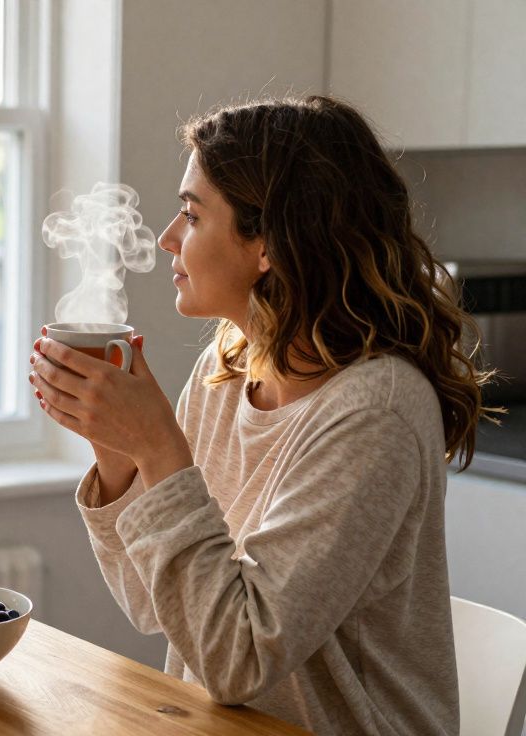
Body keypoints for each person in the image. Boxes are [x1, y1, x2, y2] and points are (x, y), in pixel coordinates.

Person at [28, 95, 495, 735]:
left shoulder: (375, 412)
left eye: (192, 216)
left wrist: (159, 448)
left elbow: (240, 659)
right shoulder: (226, 371)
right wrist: (118, 452)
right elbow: (157, 606)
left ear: (269, 243)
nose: (168, 237)